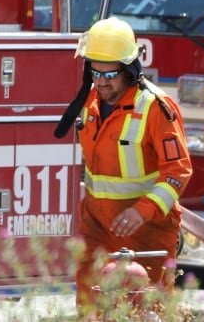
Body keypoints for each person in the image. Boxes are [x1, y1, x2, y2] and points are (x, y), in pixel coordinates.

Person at [52, 17, 192, 311]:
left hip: (146, 230)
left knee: (146, 307)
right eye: (95, 72)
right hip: (96, 224)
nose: (102, 81)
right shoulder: (89, 101)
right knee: (90, 303)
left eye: (111, 74)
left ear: (130, 70)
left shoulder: (155, 108)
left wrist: (143, 211)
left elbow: (178, 171)